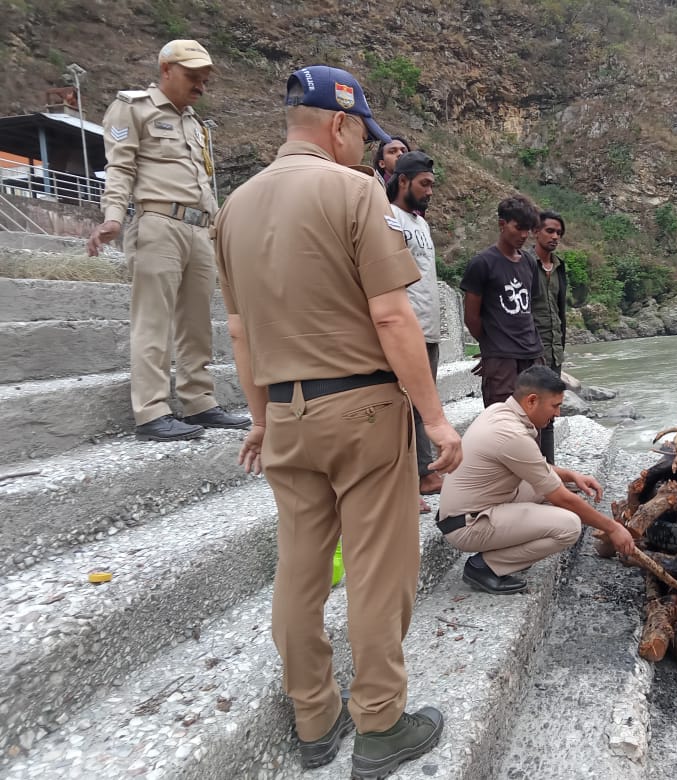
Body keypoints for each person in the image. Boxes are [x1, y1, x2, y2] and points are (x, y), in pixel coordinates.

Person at [212, 65, 463, 777]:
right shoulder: (354, 192)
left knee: (299, 568)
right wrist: (437, 421)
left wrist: (261, 421)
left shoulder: (233, 208)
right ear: (338, 125)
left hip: (285, 414)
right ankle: (381, 725)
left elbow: (238, 331)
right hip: (361, 410)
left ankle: (314, 718)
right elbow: (391, 314)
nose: (363, 147)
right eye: (362, 133)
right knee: (379, 570)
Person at [87, 39, 249, 441]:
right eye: (193, 76)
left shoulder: (195, 124)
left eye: (205, 79)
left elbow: (202, 182)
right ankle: (151, 410)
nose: (201, 85)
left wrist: (217, 227)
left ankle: (198, 402)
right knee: (154, 320)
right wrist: (111, 218)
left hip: (198, 229)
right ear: (166, 70)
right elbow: (120, 168)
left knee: (197, 324)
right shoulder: (133, 107)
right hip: (157, 223)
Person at [436, 365, 635, 594]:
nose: (558, 414)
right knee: (569, 526)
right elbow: (562, 499)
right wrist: (612, 528)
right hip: (467, 525)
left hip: (470, 509)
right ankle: (485, 567)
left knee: (559, 486)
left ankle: (511, 546)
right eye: (555, 406)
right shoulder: (511, 435)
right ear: (531, 401)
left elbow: (533, 465)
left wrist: (571, 475)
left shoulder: (500, 411)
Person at [388, 150, 443, 512]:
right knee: (401, 411)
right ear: (403, 180)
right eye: (424, 184)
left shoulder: (420, 223)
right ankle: (403, 486)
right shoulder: (387, 218)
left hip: (429, 331)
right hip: (405, 331)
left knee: (423, 408)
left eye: (433, 185)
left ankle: (424, 473)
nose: (430, 192)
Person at [460, 196, 544, 407]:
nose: (524, 235)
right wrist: (491, 348)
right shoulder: (482, 264)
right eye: (519, 228)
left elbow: (528, 307)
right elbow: (471, 317)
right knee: (502, 420)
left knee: (534, 421)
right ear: (502, 224)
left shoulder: (529, 262)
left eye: (528, 229)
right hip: (502, 361)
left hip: (532, 354)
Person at [529, 210, 568, 464]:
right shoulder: (523, 263)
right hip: (531, 351)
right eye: (549, 231)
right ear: (536, 232)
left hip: (554, 351)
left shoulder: (559, 267)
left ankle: (549, 470)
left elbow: (560, 310)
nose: (555, 237)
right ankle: (532, 471)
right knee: (530, 414)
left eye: (559, 233)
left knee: (550, 413)